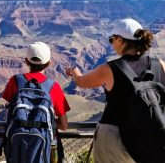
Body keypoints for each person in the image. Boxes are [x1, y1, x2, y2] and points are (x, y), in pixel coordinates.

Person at [65, 18, 165, 163]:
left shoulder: (111, 68)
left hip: (114, 136)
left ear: (120, 40)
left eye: (112, 40)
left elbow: (82, 83)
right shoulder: (160, 65)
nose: (111, 44)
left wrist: (74, 72)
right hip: (149, 134)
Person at [2, 41, 70, 162]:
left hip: (18, 148)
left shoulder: (15, 81)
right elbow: (64, 125)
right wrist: (45, 123)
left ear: (26, 61)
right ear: (49, 63)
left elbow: (10, 114)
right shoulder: (54, 87)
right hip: (44, 150)